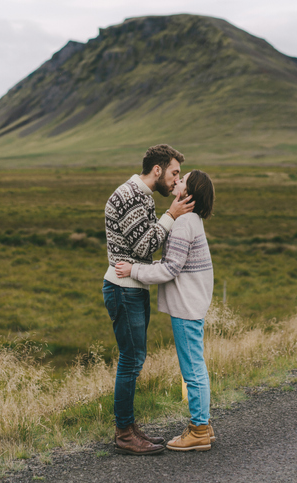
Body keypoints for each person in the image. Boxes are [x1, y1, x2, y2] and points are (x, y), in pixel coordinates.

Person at [103, 144, 195, 455]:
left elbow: (142, 248)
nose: (175, 180)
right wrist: (171, 215)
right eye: (174, 173)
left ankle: (128, 428)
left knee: (134, 359)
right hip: (123, 287)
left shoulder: (140, 195)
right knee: (131, 360)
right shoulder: (132, 195)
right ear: (157, 170)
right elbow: (144, 246)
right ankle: (124, 434)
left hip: (132, 286)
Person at [116, 169, 216, 452]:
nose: (177, 181)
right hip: (191, 304)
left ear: (189, 193)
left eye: (182, 180)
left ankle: (198, 430)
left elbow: (170, 268)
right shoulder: (191, 221)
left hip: (186, 306)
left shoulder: (184, 224)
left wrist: (133, 269)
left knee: (192, 369)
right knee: (196, 365)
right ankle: (204, 425)